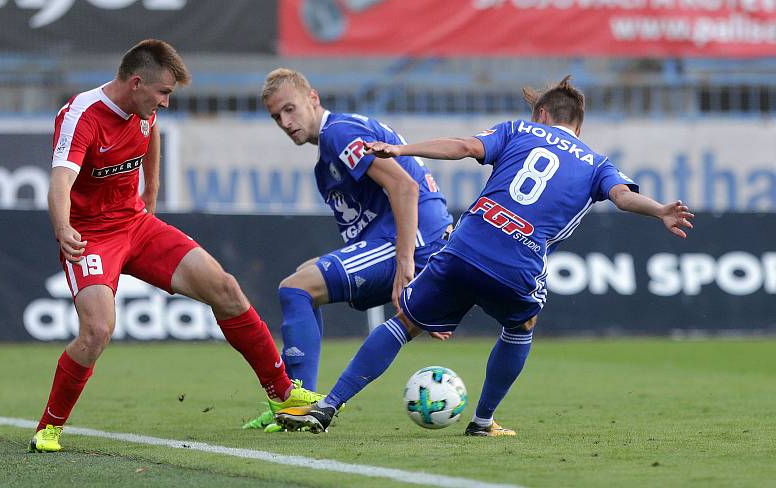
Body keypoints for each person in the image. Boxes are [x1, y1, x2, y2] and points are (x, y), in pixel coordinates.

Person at [274, 76, 695, 436]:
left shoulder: (518, 130)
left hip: (463, 245)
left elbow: (461, 146)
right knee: (522, 324)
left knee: (403, 323)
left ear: (543, 115)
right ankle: (482, 420)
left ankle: (328, 404)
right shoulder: (598, 164)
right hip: (518, 260)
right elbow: (623, 198)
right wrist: (660, 210)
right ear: (577, 126)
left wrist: (401, 150)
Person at [29, 40, 321, 453]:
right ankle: (48, 428)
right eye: (163, 93)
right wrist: (63, 228)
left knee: (226, 288)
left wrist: (153, 190)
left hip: (137, 225)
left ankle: (282, 394)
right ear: (135, 83)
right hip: (91, 235)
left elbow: (151, 134)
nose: (166, 103)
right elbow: (60, 180)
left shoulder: (143, 111)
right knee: (97, 330)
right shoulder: (82, 116)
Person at [243, 69, 453, 432]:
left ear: (313, 97)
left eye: (290, 109)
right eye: (277, 117)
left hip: (415, 242)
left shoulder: (339, 133)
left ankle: (293, 399)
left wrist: (407, 266)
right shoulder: (326, 160)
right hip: (410, 241)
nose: (285, 122)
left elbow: (405, 188)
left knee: (296, 287)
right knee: (302, 281)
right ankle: (293, 402)